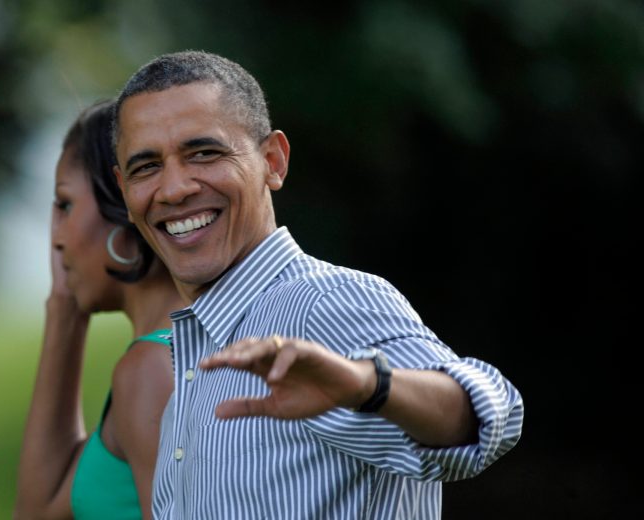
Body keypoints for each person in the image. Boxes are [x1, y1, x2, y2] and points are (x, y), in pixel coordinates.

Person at [111, 50, 524, 519]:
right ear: (124, 190)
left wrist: (366, 384)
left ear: (273, 161)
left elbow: (487, 416)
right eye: (147, 167)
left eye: (204, 153)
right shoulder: (197, 349)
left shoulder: (324, 302)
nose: (174, 188)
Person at [14, 100, 184, 520]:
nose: (56, 238)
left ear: (121, 206)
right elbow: (37, 509)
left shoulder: (152, 369)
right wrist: (64, 308)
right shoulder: (162, 356)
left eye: (65, 205)